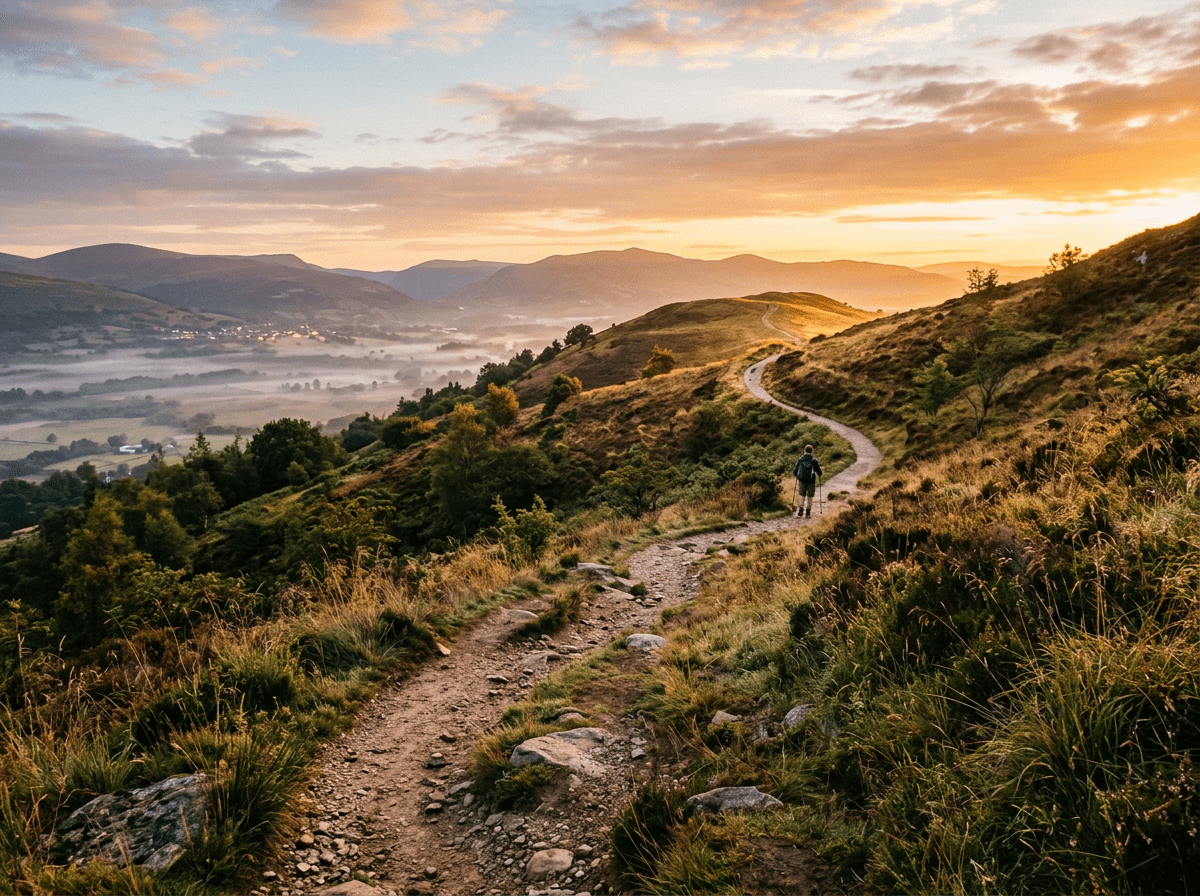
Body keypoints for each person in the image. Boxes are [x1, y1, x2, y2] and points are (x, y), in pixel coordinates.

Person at [793, 444, 822, 518]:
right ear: (812, 451)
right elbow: (819, 472)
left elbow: (795, 471)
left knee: (801, 495)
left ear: (804, 450)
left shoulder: (800, 459)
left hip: (802, 480)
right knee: (810, 495)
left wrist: (798, 475)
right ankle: (808, 513)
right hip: (811, 480)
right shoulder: (814, 460)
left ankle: (800, 511)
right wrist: (819, 474)